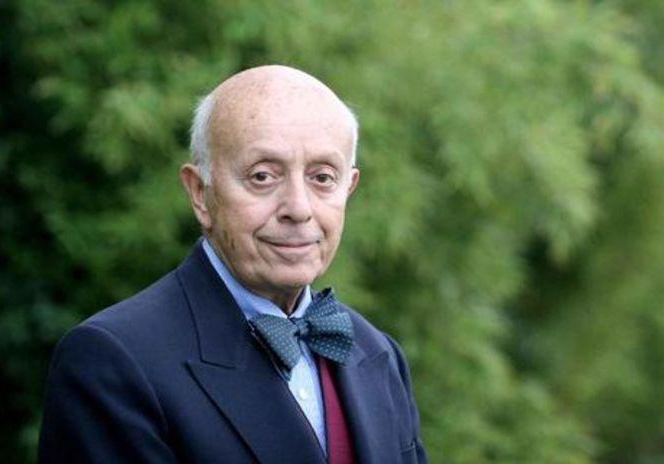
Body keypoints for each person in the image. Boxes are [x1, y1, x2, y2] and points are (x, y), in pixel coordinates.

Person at [38, 65, 426, 464]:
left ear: (349, 188)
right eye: (263, 176)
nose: (298, 208)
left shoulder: (377, 353)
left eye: (322, 178)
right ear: (200, 193)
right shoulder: (113, 361)